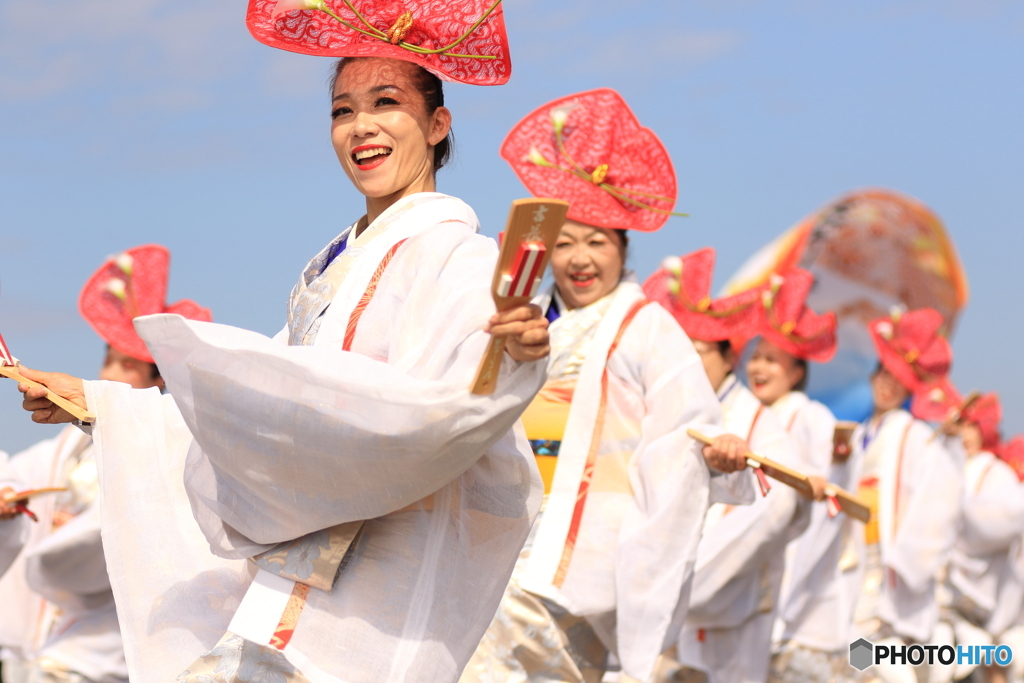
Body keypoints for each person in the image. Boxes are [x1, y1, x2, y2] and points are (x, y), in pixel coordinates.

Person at [15, 3, 552, 681]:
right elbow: (254, 404)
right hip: (298, 579)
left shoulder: (460, 255)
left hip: (386, 585)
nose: (362, 127)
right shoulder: (328, 271)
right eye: (342, 110)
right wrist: (106, 405)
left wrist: (517, 353)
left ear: (438, 123)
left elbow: (472, 387)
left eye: (386, 102)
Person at [461, 89, 750, 683]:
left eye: (598, 241)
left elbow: (687, 426)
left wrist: (719, 459)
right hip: (505, 534)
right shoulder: (525, 318)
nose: (580, 258)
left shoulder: (646, 326)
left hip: (584, 551)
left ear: (623, 248)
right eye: (564, 243)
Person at [0, 245, 210, 683]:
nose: (112, 374)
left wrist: (64, 536)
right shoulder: (66, 448)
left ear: (158, 381)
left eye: (128, 366)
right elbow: (19, 478)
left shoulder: (169, 449)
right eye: (108, 361)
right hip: (49, 632)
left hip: (110, 639)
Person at [645, 250, 825, 683]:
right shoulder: (669, 411)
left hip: (730, 599)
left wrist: (696, 577)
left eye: (699, 352)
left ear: (729, 358)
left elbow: (781, 502)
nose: (686, 364)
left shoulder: (761, 419)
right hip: (667, 591)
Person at [844, 308, 964, 683]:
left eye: (898, 379)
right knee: (855, 658)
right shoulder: (858, 433)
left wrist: (908, 557)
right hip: (852, 557)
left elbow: (942, 496)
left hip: (887, 561)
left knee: (880, 656)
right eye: (884, 372)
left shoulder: (913, 434)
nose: (887, 384)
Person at [930, 393, 1024, 683]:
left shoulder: (995, 473)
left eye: (972, 426)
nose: (966, 435)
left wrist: (959, 513)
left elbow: (1002, 524)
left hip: (977, 608)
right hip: (937, 599)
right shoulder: (943, 468)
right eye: (961, 427)